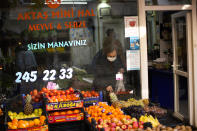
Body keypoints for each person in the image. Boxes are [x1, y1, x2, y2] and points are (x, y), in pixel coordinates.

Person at [92, 38, 124, 103]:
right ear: (106, 53)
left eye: (114, 56)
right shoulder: (99, 58)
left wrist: (120, 72)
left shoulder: (118, 58)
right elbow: (97, 76)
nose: (112, 58)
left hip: (114, 89)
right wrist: (105, 85)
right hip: (102, 89)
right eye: (110, 56)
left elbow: (119, 69)